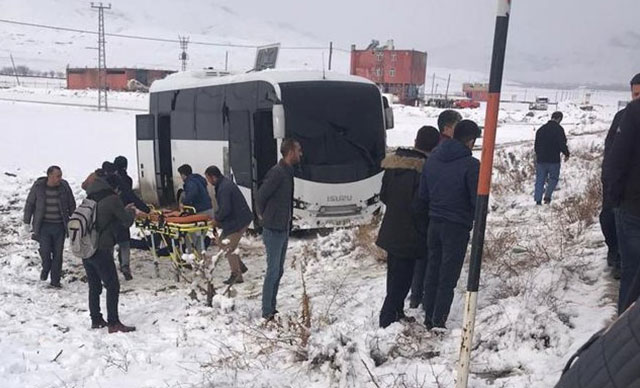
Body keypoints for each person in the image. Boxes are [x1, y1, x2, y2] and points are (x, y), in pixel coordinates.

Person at [419, 120, 481, 330]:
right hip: (456, 226)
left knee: (432, 268)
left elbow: (423, 194)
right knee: (448, 274)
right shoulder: (471, 165)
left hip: (433, 222)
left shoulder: (432, 159)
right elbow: (477, 200)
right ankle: (438, 320)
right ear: (470, 140)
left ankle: (428, 315)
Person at [376, 126, 440, 328]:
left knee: (394, 274)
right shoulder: (426, 170)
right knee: (403, 279)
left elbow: (384, 195)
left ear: (415, 140)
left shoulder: (394, 164)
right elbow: (422, 204)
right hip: (411, 232)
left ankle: (396, 312)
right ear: (435, 145)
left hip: (391, 227)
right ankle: (387, 318)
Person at [82, 170, 141, 333]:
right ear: (113, 187)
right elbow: (126, 221)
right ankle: (114, 323)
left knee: (94, 286)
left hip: (86, 248)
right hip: (101, 248)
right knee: (112, 286)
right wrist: (130, 211)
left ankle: (96, 319)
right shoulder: (112, 199)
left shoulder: (89, 198)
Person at [256, 138, 302, 320]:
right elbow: (261, 196)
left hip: (282, 228)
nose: (301, 153)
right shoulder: (277, 173)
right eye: (298, 150)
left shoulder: (288, 171)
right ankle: (267, 310)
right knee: (273, 270)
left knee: (279, 270)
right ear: (290, 151)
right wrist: (264, 217)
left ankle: (271, 308)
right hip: (273, 229)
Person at [600, 74, 640, 279]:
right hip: (621, 189)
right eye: (636, 94)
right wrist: (609, 183)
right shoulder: (624, 116)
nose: (638, 98)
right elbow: (613, 152)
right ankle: (616, 254)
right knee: (609, 219)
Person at [607, 98, 640, 314]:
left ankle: (624, 335)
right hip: (632, 204)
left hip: (633, 205)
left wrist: (614, 198)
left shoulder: (635, 111)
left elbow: (616, 158)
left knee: (632, 271)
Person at [23, 166, 76, 288]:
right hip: (44, 226)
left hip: (60, 226)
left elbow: (71, 204)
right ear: (49, 176)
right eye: (57, 176)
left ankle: (55, 280)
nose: (59, 178)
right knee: (46, 251)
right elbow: (30, 203)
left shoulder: (64, 187)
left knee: (58, 254)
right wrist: (27, 221)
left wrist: (74, 221)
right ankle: (46, 267)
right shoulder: (38, 187)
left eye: (60, 175)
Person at [204, 166, 253, 285]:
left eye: (208, 178)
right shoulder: (223, 185)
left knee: (228, 247)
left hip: (238, 221)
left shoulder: (224, 188)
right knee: (222, 242)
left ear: (213, 177)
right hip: (236, 219)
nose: (208, 182)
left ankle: (236, 275)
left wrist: (217, 219)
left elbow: (225, 209)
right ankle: (240, 266)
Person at [113, 156, 150, 280]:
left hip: (109, 216)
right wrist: (146, 209)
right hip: (124, 214)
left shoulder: (108, 179)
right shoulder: (127, 180)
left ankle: (109, 267)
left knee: (109, 243)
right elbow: (131, 196)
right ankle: (125, 266)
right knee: (124, 242)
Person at [534, 111, 570, 205]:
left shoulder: (541, 129)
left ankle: (538, 200)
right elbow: (562, 144)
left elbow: (536, 145)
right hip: (554, 160)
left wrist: (538, 155)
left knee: (540, 179)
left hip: (541, 160)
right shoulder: (559, 129)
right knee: (553, 179)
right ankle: (547, 197)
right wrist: (566, 153)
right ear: (559, 119)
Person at [178, 164, 213, 253]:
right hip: (209, 210)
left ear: (183, 175)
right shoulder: (198, 180)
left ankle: (190, 257)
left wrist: (184, 203)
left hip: (200, 212)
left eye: (181, 175)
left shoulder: (190, 182)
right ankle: (199, 256)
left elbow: (193, 193)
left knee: (191, 236)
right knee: (201, 236)